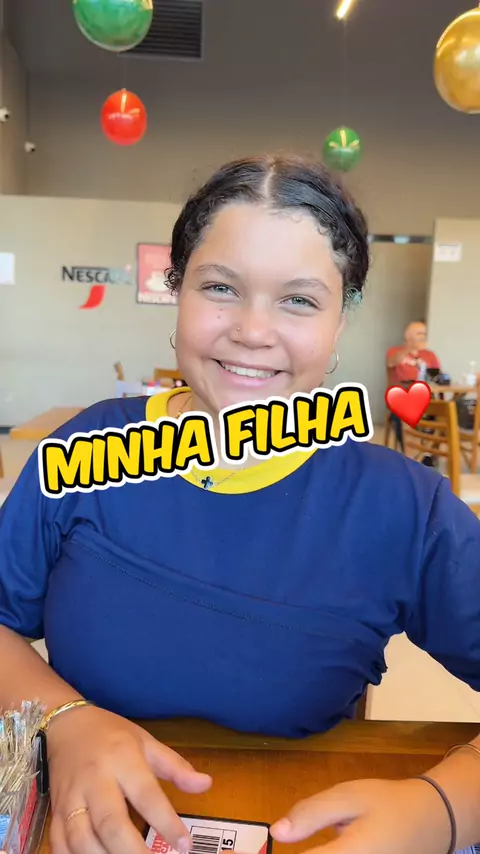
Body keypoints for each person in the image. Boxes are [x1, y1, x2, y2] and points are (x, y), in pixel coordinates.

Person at [1, 155, 480, 854]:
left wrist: (443, 808)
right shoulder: (83, 454)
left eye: (299, 300)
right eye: (220, 287)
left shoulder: (405, 509)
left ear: (341, 319)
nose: (253, 331)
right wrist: (62, 716)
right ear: (177, 291)